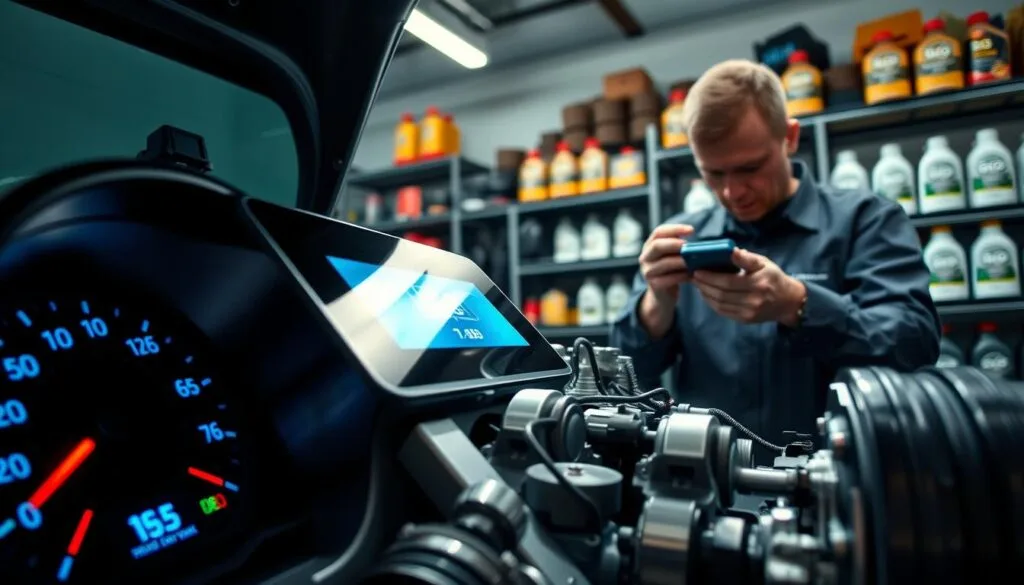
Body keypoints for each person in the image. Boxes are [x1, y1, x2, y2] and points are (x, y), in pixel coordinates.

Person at [610, 59, 940, 452]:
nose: (734, 192)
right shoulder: (681, 240)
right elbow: (622, 381)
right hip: (711, 480)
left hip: (839, 473)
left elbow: (914, 345)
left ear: (790, 137)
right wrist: (657, 305)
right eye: (713, 174)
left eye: (750, 168)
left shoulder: (867, 220)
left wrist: (799, 305)